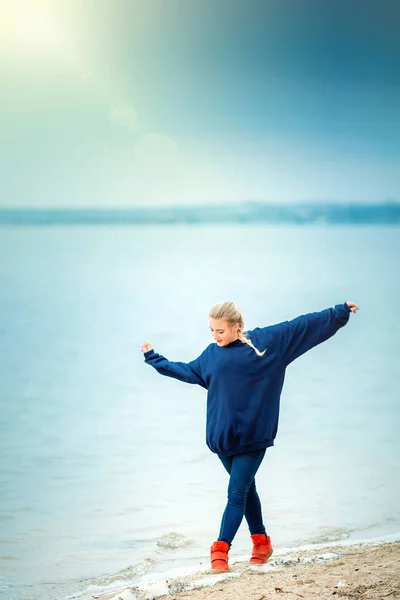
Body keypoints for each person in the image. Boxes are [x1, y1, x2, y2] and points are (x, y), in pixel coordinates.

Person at [141, 300, 359, 573]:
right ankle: (261, 541)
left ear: (237, 326)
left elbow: (302, 326)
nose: (215, 336)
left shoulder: (266, 344)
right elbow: (187, 371)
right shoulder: (211, 354)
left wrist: (338, 313)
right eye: (211, 330)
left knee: (236, 494)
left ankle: (220, 550)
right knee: (246, 489)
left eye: (220, 331)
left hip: (253, 435)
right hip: (223, 439)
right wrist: (154, 359)